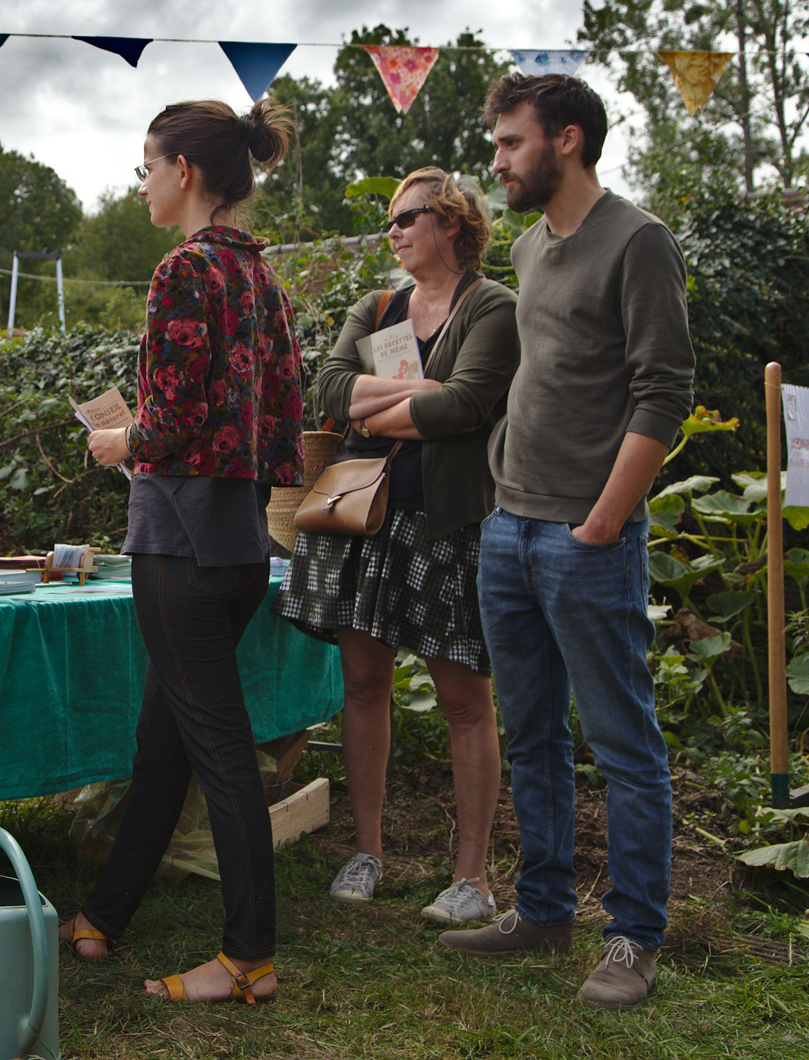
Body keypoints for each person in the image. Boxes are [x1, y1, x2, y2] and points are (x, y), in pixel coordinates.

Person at [438, 74, 695, 1011]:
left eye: (510, 143)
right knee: (533, 732)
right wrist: (507, 508)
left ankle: (633, 938)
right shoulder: (531, 248)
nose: (496, 161)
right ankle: (543, 913)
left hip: (586, 538)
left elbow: (662, 391)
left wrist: (604, 519)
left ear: (570, 141)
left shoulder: (638, 242)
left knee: (623, 743)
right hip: (510, 527)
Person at [62, 97, 304, 1005]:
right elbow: (283, 432)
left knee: (218, 748)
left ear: (186, 172)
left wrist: (118, 443)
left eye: (147, 166)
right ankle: (103, 916)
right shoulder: (263, 278)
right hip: (242, 541)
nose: (143, 183)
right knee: (164, 737)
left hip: (180, 544)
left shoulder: (183, 271)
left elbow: (172, 422)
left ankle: (248, 958)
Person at [275, 169, 519, 924]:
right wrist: (418, 404)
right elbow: (329, 393)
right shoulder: (379, 308)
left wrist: (384, 408)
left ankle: (472, 877)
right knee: (364, 684)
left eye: (407, 217)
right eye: (390, 220)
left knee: (463, 700)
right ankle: (367, 850)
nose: (394, 231)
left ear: (452, 223)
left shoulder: (495, 307)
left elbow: (471, 403)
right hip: (367, 518)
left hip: (446, 524)